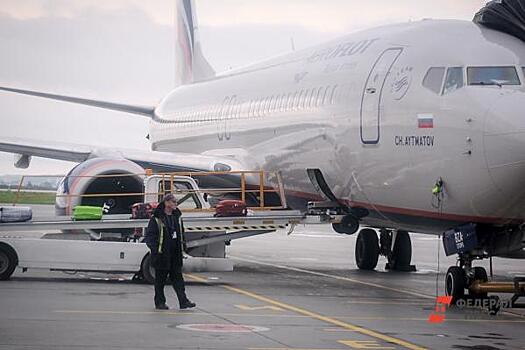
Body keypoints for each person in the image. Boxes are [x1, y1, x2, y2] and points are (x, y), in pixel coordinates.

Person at [144, 193, 196, 310]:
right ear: (166, 203)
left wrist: (183, 248)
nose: (175, 204)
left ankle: (183, 301)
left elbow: (181, 235)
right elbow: (150, 237)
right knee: (160, 281)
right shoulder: (156, 219)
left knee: (178, 279)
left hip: (175, 254)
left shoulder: (177, 218)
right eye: (173, 202)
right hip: (162, 254)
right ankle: (159, 302)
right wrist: (156, 250)